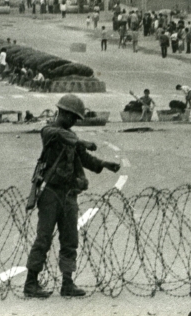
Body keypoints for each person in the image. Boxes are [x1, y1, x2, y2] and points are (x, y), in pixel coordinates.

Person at [24, 95, 120, 299]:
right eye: (73, 117)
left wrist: (103, 164)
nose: (75, 122)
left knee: (70, 240)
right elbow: (62, 137)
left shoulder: (70, 136)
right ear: (64, 113)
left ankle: (67, 283)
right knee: (43, 238)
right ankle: (30, 283)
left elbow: (83, 158)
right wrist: (81, 141)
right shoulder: (49, 131)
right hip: (50, 193)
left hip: (68, 194)